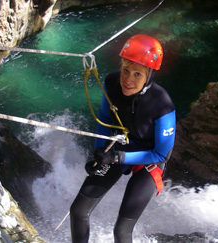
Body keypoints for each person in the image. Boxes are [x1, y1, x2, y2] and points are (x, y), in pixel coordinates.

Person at [70, 34, 176, 243]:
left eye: (138, 74)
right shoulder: (111, 83)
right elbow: (104, 118)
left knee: (121, 231)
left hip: (149, 162)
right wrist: (99, 153)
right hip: (119, 148)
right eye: (125, 70)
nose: (128, 79)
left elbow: (161, 153)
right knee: (78, 211)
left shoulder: (162, 104)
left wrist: (117, 158)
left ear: (149, 76)